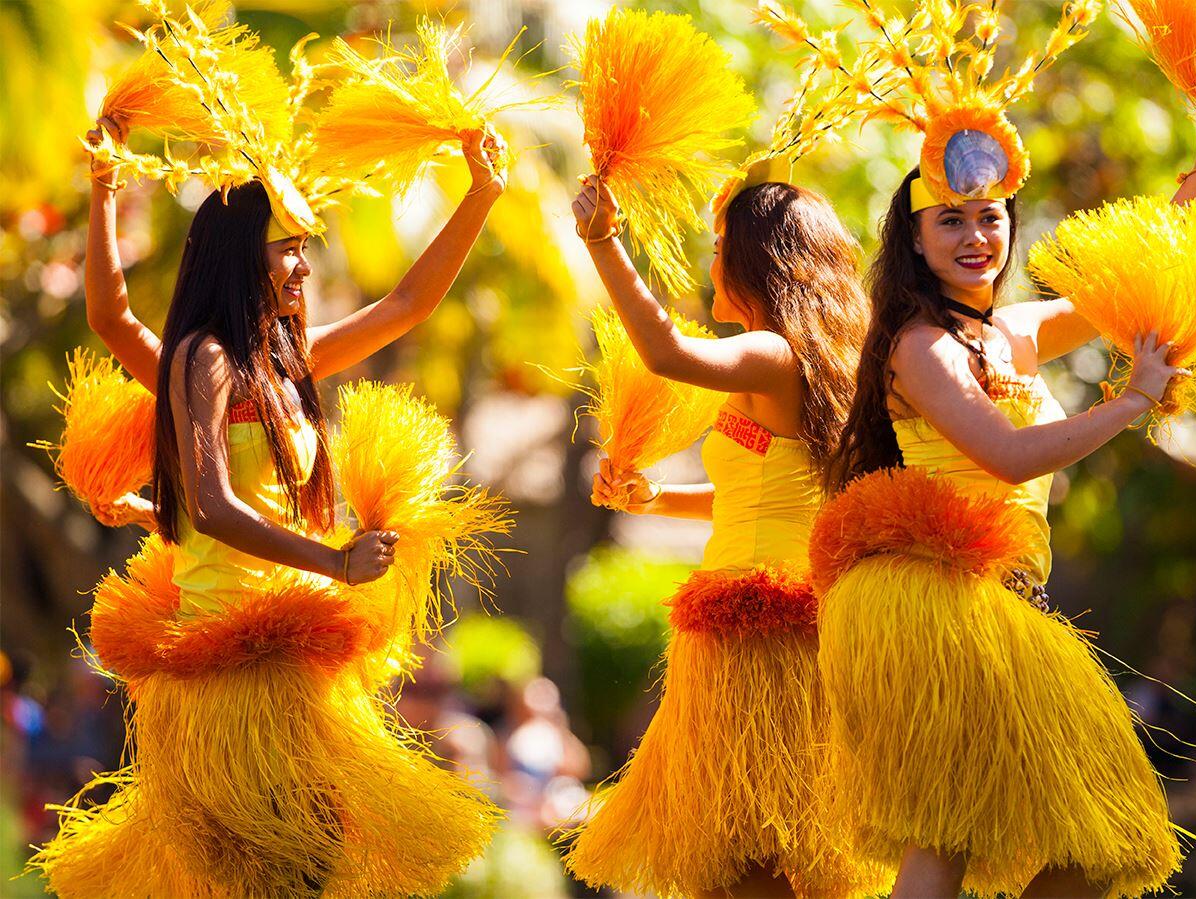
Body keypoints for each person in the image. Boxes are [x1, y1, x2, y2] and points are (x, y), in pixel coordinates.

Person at [30, 115, 508, 897]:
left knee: (308, 865)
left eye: (303, 249)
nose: (302, 268)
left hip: (299, 655)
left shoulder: (290, 366)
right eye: (288, 247)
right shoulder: (202, 359)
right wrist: (104, 187)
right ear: (240, 253)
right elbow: (214, 502)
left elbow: (407, 304)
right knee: (269, 872)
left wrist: (482, 193)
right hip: (232, 664)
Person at [815, 118, 1196, 898]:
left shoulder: (1013, 330)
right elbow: (1006, 456)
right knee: (945, 831)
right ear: (914, 240)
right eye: (951, 220)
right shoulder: (919, 346)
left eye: (990, 216)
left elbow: (1132, 278)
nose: (976, 235)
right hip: (943, 603)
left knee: (1096, 838)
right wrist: (1131, 401)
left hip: (1013, 599)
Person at [563, 169, 881, 898]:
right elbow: (755, 495)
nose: (710, 261)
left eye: (718, 247)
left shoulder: (773, 354)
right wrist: (655, 497)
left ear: (752, 264)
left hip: (759, 640)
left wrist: (604, 239)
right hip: (770, 630)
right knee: (746, 862)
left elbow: (668, 352)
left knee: (744, 859)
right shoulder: (808, 364)